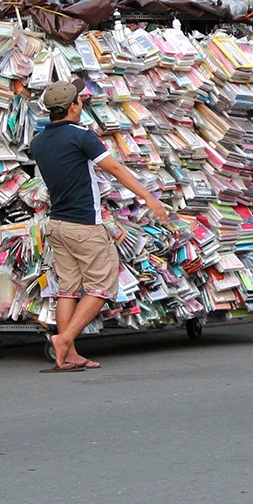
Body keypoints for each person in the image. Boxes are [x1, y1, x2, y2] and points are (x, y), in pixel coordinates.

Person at [30, 80, 170, 372]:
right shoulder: (81, 136)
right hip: (84, 224)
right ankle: (64, 339)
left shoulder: (39, 141)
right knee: (102, 285)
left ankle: (68, 355)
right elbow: (115, 168)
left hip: (58, 224)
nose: (82, 104)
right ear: (72, 107)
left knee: (68, 289)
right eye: (79, 100)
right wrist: (149, 198)